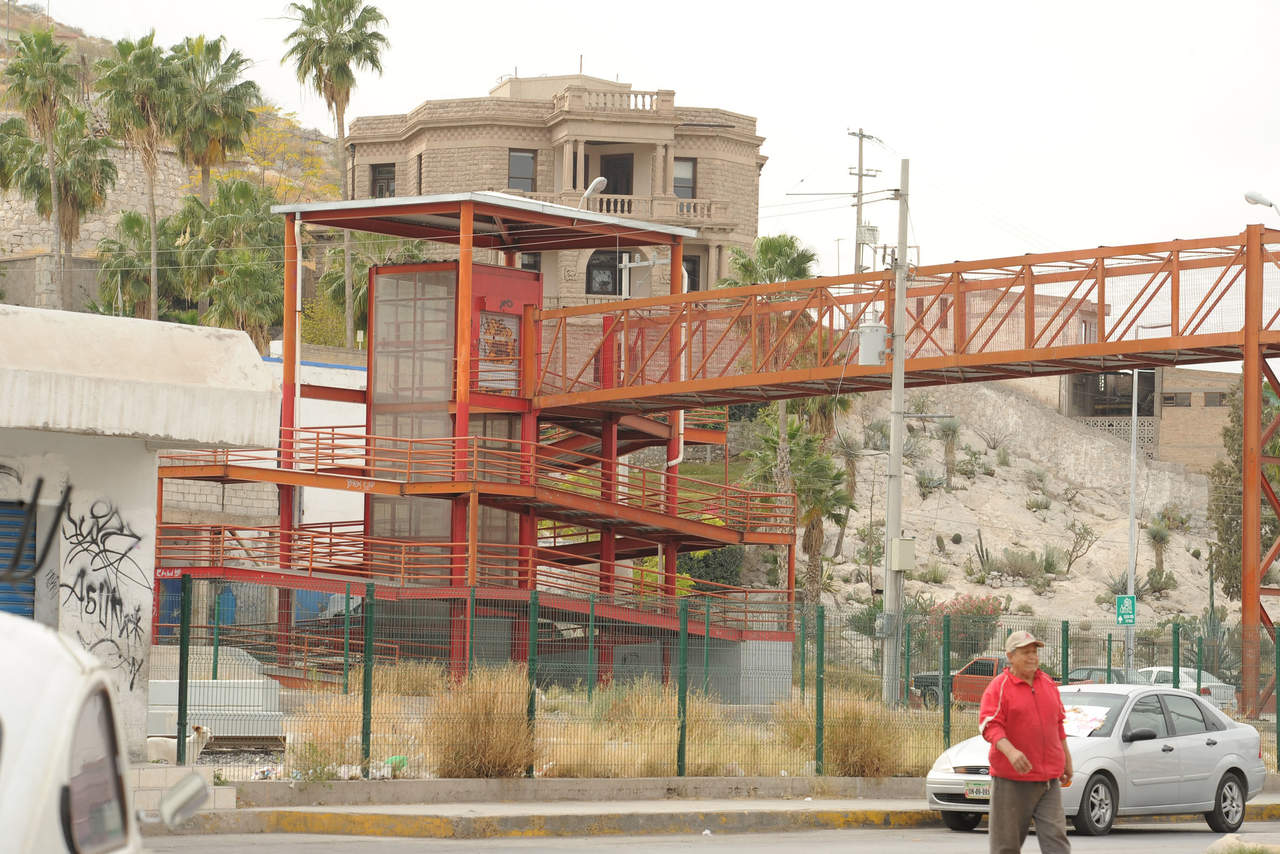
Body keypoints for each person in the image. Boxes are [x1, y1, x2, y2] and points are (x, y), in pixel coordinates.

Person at [978, 630, 1073, 853]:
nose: (1032, 657)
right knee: (1006, 847)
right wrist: (1011, 752)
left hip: (1048, 781)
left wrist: (1066, 760)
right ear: (1010, 656)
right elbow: (990, 726)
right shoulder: (999, 687)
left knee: (1057, 843)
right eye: (1025, 652)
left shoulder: (1047, 683)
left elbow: (1058, 724)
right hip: (1011, 782)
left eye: (1034, 652)